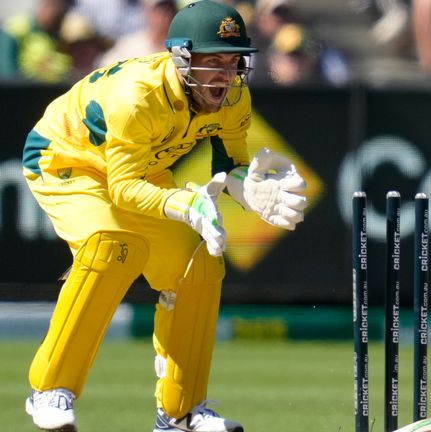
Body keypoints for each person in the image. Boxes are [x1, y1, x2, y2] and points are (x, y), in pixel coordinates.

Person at [20, 1, 307, 431]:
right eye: (212, 62)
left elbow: (229, 158)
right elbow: (121, 188)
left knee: (198, 265)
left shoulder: (234, 98)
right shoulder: (137, 97)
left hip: (139, 169)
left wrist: (245, 183)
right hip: (65, 159)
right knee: (111, 245)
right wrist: (186, 204)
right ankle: (50, 389)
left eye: (233, 62)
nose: (224, 76)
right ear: (181, 58)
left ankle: (180, 412)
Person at [2, 0, 75, 82]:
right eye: (58, 9)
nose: (61, 15)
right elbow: (6, 71)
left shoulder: (61, 35)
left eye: (65, 11)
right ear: (46, 5)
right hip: (22, 90)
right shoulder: (20, 26)